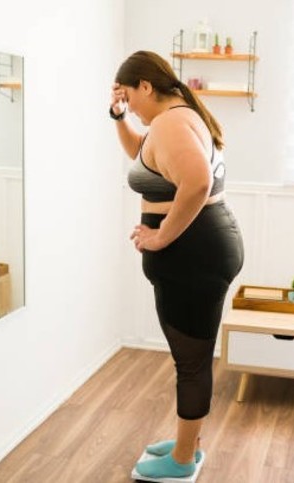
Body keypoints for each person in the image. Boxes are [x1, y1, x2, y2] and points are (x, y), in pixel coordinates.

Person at [110, 51, 244, 479]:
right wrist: (118, 117)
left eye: (130, 97)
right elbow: (143, 157)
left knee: (191, 362)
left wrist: (162, 235)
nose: (130, 105)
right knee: (193, 357)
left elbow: (198, 183)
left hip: (194, 253)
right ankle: (189, 442)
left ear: (145, 86)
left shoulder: (169, 122)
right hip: (201, 250)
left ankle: (183, 462)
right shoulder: (171, 120)